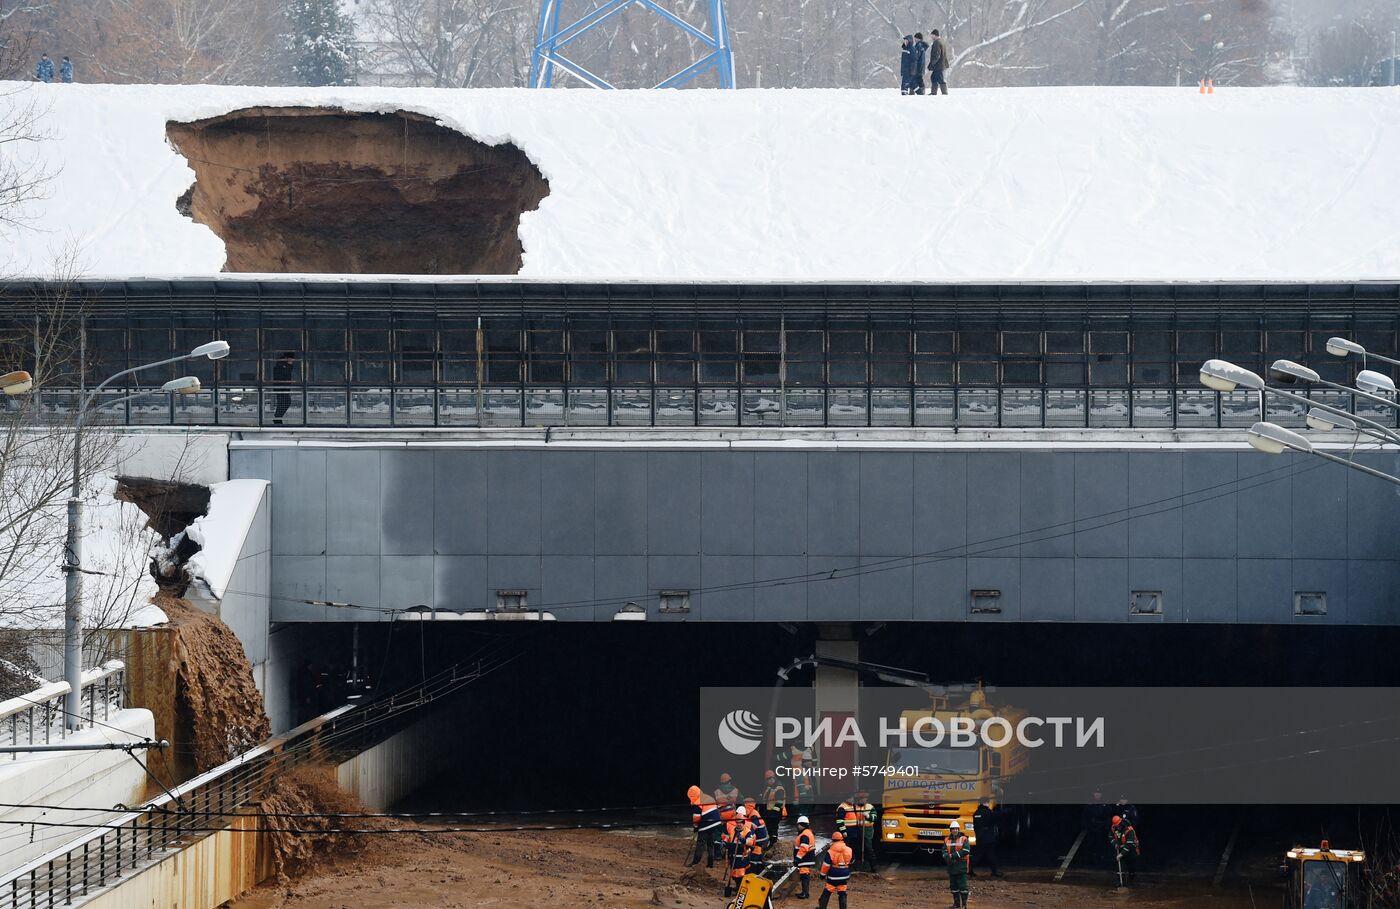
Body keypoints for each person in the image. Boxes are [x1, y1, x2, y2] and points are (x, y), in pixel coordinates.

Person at [688, 784, 724, 867]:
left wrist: (696, 827)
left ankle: (695, 863)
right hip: (716, 823)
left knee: (700, 843)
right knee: (710, 842)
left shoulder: (698, 802)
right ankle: (710, 864)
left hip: (707, 824)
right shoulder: (708, 797)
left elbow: (696, 818)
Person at [724, 805, 756, 897]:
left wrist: (742, 840)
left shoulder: (747, 831)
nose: (739, 824)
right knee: (734, 874)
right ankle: (738, 886)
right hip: (733, 856)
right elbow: (728, 838)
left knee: (741, 874)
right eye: (737, 822)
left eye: (741, 822)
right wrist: (724, 843)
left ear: (743, 822)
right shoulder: (733, 831)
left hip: (742, 857)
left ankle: (741, 888)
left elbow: (750, 842)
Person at [818, 831, 854, 909]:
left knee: (827, 890)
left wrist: (822, 875)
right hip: (845, 874)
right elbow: (852, 860)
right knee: (842, 892)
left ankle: (822, 907)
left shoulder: (830, 851)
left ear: (833, 840)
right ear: (841, 839)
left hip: (834, 875)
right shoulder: (849, 849)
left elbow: (826, 865)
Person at [945, 820, 971, 908]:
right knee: (953, 886)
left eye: (956, 829)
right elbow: (944, 851)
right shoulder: (946, 840)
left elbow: (966, 851)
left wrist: (953, 856)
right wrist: (947, 857)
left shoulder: (964, 839)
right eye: (953, 829)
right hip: (951, 867)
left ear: (958, 830)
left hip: (961, 866)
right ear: (951, 830)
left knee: (963, 887)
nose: (955, 830)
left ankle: (964, 905)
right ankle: (956, 904)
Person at [971, 801, 1001, 877]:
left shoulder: (976, 813)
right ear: (984, 803)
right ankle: (994, 872)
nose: (988, 803)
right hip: (988, 838)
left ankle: (969, 870)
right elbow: (997, 816)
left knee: (977, 855)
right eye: (987, 802)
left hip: (979, 837)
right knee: (991, 855)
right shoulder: (987, 812)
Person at [1110, 814, 1140, 886]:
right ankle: (1121, 882)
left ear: (1121, 823)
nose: (1117, 827)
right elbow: (1110, 836)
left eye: (1118, 825)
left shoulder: (1129, 830)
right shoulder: (1114, 827)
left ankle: (1131, 882)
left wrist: (1121, 854)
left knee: (1131, 867)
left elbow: (1129, 845)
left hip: (1131, 850)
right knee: (1119, 866)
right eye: (1116, 825)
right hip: (1120, 848)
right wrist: (1115, 843)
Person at [836, 794, 863, 868]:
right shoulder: (842, 807)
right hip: (847, 831)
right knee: (847, 847)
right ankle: (847, 862)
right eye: (851, 798)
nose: (852, 800)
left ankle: (852, 861)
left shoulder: (852, 806)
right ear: (846, 799)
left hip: (853, 830)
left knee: (853, 846)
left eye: (853, 798)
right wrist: (843, 831)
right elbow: (839, 821)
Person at [794, 815, 818, 899]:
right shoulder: (808, 832)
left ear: (802, 825)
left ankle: (804, 893)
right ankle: (805, 892)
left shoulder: (804, 835)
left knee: (804, 875)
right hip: (807, 857)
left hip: (805, 858)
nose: (797, 826)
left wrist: (797, 858)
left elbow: (803, 848)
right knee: (805, 875)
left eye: (798, 825)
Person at [855, 789, 878, 872]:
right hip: (858, 830)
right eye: (861, 798)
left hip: (867, 831)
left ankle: (873, 867)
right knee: (857, 848)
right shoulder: (855, 807)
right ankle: (857, 866)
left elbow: (875, 817)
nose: (862, 799)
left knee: (869, 848)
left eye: (864, 798)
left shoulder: (870, 807)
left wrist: (868, 816)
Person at [761, 769, 787, 841]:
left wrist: (772, 814)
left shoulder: (779, 788)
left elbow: (779, 803)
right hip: (769, 814)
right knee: (770, 830)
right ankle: (772, 842)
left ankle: (774, 843)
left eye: (769, 779)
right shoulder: (769, 788)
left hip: (774, 814)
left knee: (773, 830)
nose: (768, 781)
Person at [272, 350, 296, 424]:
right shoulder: (281, 365)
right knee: (285, 402)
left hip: (283, 387)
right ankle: (277, 418)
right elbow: (283, 375)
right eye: (291, 359)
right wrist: (289, 365)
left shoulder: (283, 364)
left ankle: (278, 418)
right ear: (287, 358)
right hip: (281, 387)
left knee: (283, 403)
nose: (292, 360)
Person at [927, 29, 949, 95]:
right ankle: (934, 93)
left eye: (932, 36)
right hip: (941, 65)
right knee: (934, 78)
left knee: (940, 79)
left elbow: (937, 55)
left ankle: (944, 93)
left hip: (938, 65)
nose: (931, 37)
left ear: (934, 35)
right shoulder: (942, 42)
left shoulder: (936, 43)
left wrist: (931, 64)